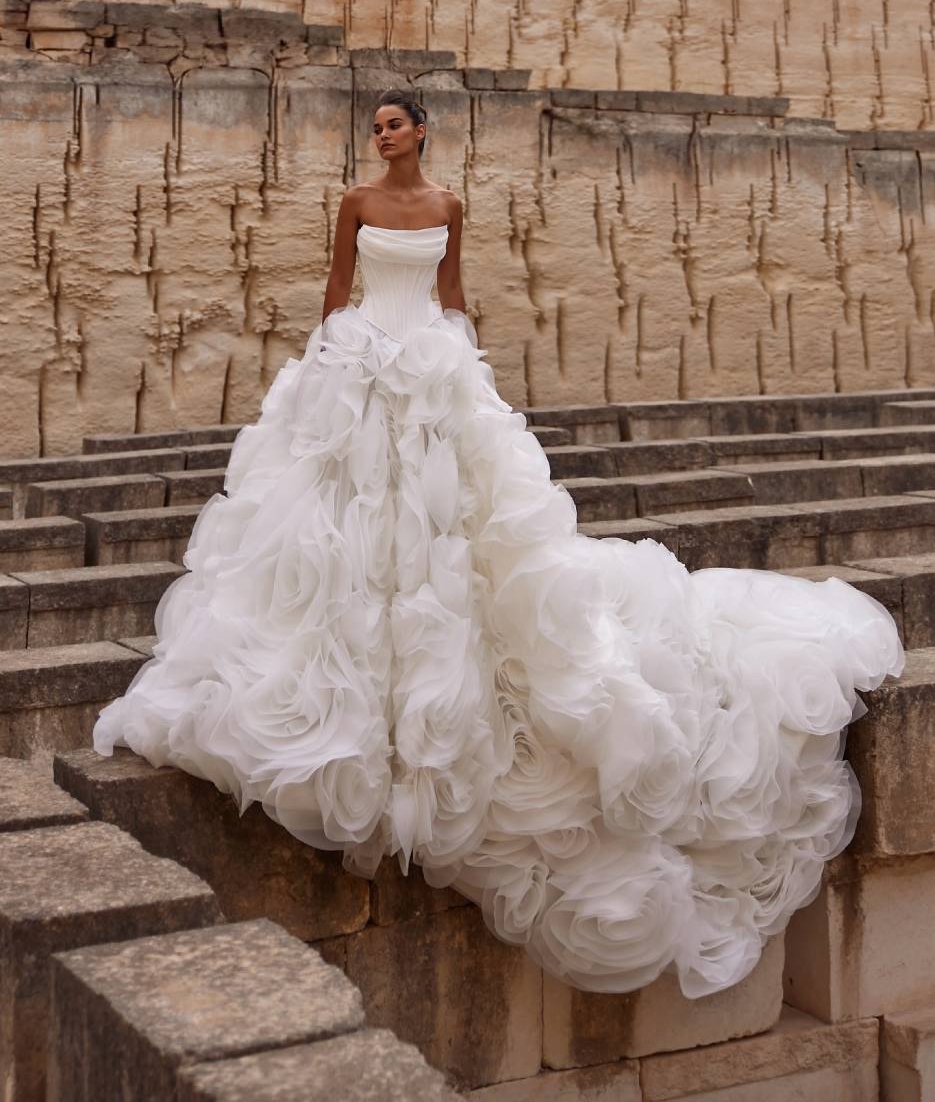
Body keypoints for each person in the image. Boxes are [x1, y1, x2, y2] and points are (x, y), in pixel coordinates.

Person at [93, 87, 905, 999]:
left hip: (433, 370)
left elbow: (451, 296)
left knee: (451, 537)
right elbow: (334, 294)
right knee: (345, 530)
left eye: (394, 124)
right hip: (362, 367)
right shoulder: (356, 204)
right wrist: (327, 376)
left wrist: (466, 376)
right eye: (377, 127)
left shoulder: (447, 206)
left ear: (422, 132)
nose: (383, 134)